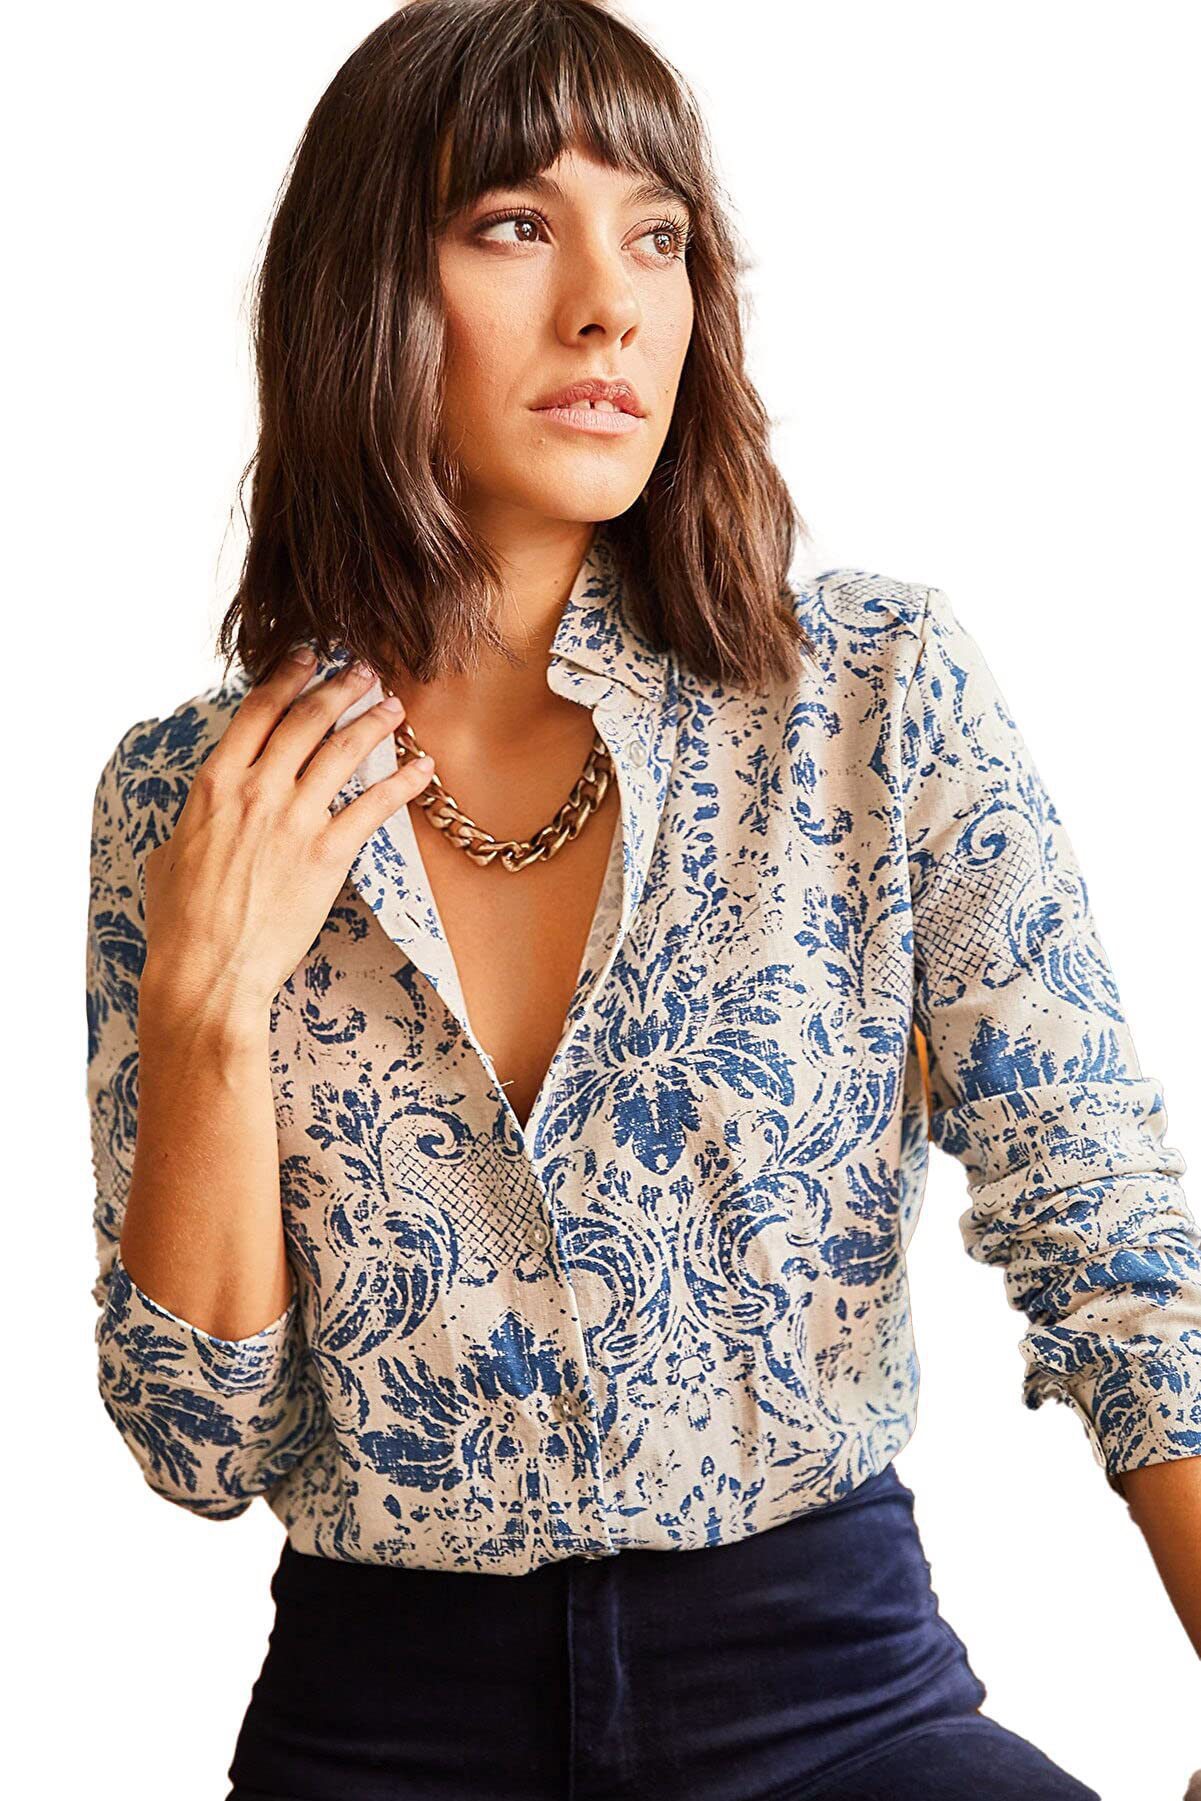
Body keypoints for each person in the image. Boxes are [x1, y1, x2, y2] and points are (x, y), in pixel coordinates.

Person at [84, 4, 1200, 1798]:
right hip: (375, 1736)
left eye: (658, 235)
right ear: (364, 292)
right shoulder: (189, 801)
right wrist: (207, 1002)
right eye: (515, 224)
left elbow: (1109, 1240)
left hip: (835, 1713)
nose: (609, 303)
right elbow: (196, 1443)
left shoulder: (870, 698)